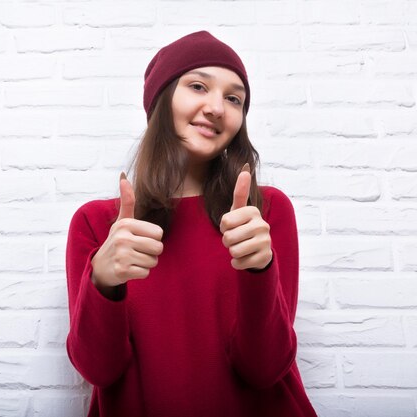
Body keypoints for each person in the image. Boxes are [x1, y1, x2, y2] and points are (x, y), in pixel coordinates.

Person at [65, 31, 318, 417]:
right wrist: (102, 281)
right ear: (161, 100)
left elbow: (264, 369)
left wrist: (259, 269)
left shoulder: (264, 212)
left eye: (234, 98)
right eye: (198, 85)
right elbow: (99, 370)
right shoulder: (99, 224)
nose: (217, 107)